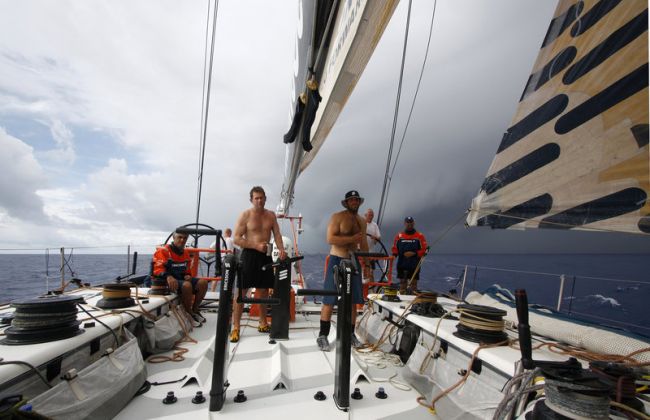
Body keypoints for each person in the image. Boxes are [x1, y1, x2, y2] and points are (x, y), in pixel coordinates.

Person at [230, 186, 287, 343]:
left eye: (261, 197)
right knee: (241, 292)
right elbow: (236, 238)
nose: (259, 200)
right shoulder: (245, 215)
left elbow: (276, 234)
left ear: (265, 198)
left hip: (266, 256)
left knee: (263, 291)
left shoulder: (271, 215)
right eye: (256, 198)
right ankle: (235, 327)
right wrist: (255, 246)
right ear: (251, 200)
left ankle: (262, 323)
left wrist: (281, 249)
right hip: (249, 255)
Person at [317, 190, 370, 351]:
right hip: (336, 260)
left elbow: (364, 244)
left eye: (356, 200)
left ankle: (350, 334)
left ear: (359, 202)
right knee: (329, 300)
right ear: (346, 203)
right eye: (351, 200)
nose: (354, 202)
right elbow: (330, 238)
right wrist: (351, 239)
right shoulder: (337, 217)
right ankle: (323, 335)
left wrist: (367, 265)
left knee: (353, 301)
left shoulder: (362, 221)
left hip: (353, 262)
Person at [152, 231, 209, 324]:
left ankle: (195, 310)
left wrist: (188, 276)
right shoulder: (164, 251)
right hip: (165, 281)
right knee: (187, 285)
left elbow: (187, 271)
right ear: (174, 238)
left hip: (179, 280)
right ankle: (188, 313)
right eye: (180, 237)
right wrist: (168, 276)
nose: (182, 240)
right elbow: (157, 269)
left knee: (203, 282)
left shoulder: (185, 253)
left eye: (185, 238)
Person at [392, 216, 428, 294]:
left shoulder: (420, 236)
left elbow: (425, 250)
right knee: (402, 283)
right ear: (405, 224)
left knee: (414, 284)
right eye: (407, 223)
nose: (409, 224)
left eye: (411, 223)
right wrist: (393, 255)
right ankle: (401, 301)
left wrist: (414, 253)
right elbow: (395, 249)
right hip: (402, 263)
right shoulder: (399, 236)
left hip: (414, 264)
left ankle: (414, 303)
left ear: (413, 223)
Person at [363, 208, 381, 283]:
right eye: (369, 215)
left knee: (370, 273)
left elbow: (379, 237)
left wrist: (375, 238)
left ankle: (371, 290)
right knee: (361, 272)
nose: (371, 217)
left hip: (370, 252)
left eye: (372, 215)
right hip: (360, 252)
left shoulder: (375, 225)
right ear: (365, 215)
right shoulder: (361, 223)